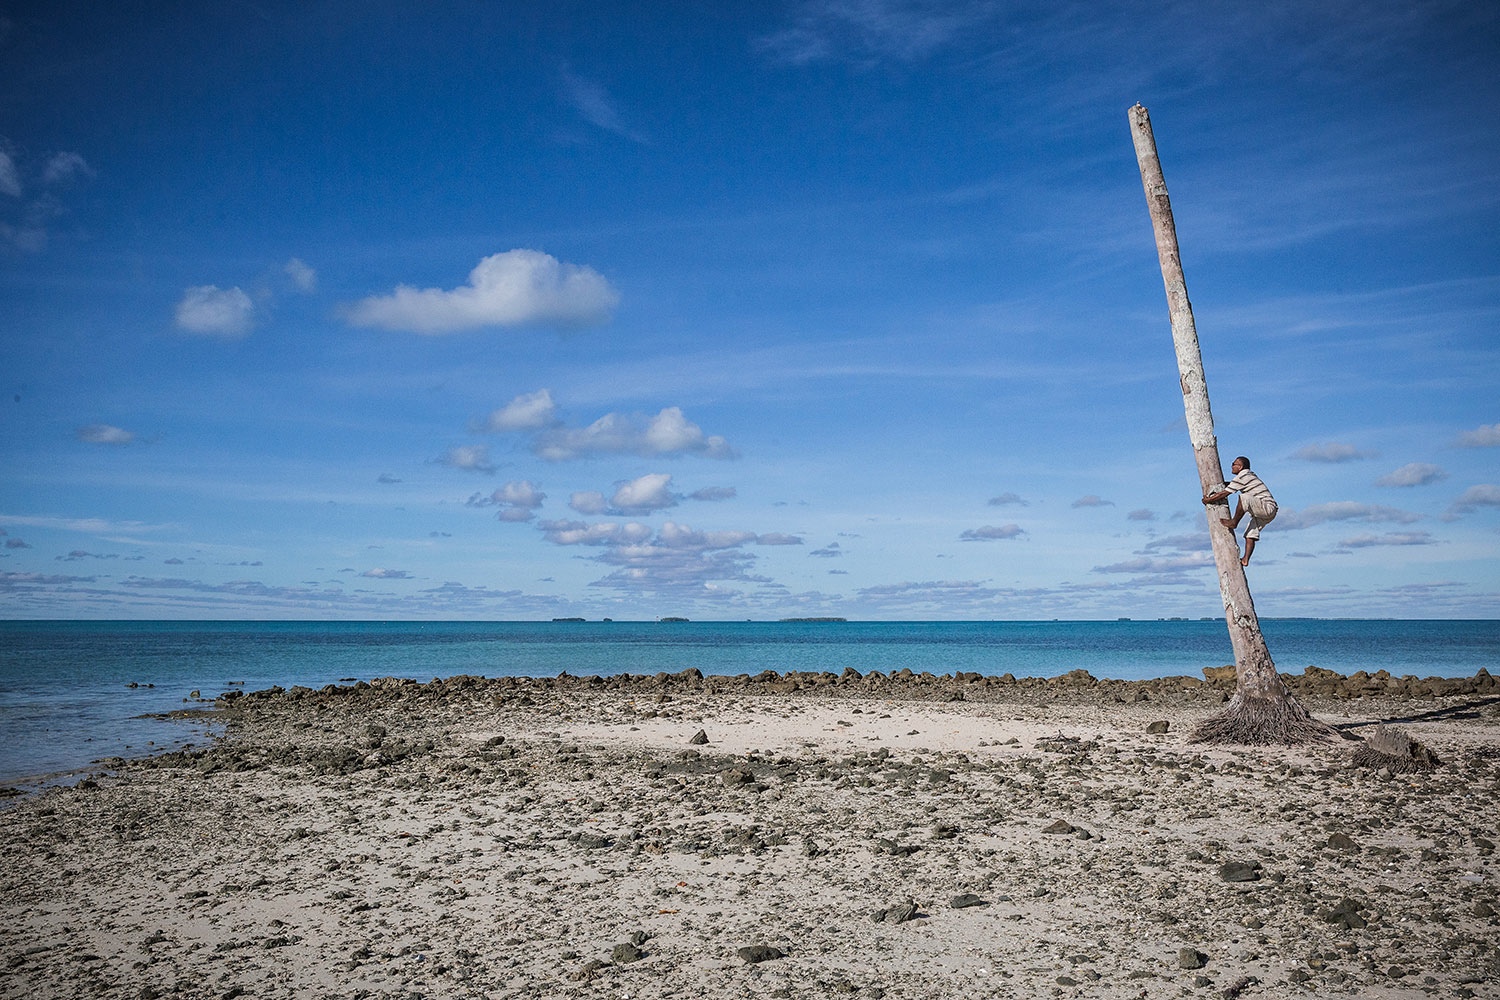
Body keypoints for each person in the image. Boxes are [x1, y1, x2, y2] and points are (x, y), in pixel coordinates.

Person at [1202, 456, 1277, 566]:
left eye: (1234, 464)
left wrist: (1208, 500)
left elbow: (1225, 493)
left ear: (1240, 467)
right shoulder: (1246, 476)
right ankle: (1246, 559)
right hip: (1270, 511)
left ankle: (1234, 522)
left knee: (1244, 498)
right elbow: (1232, 486)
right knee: (1250, 534)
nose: (1232, 466)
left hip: (1267, 506)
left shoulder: (1244, 475)